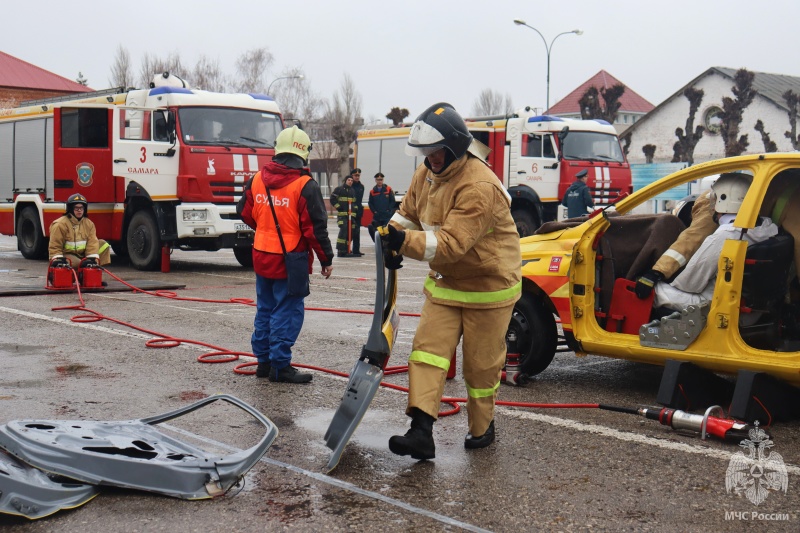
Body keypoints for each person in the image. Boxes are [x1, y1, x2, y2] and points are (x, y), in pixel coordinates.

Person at [385, 103, 521, 460]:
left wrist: (404, 244)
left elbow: (451, 245)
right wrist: (390, 234)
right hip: (447, 285)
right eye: (425, 153)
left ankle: (482, 427)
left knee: (481, 367)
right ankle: (421, 432)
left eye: (435, 151)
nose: (430, 158)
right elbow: (409, 214)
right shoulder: (427, 173)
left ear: (456, 146)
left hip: (489, 288)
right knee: (427, 353)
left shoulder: (479, 186)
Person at [236, 125, 334, 384]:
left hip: (261, 255)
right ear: (304, 153)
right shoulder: (305, 185)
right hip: (291, 261)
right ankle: (280, 366)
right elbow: (315, 229)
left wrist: (266, 226)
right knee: (287, 311)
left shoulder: (256, 179)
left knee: (265, 309)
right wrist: (326, 260)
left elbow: (244, 211)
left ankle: (264, 362)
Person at [653, 174, 777, 311]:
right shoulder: (768, 227)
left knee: (655, 290)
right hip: (754, 308)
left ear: (725, 200)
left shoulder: (725, 235)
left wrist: (656, 276)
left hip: (714, 304)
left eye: (715, 198)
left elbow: (689, 284)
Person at [48, 193, 111, 269]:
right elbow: (55, 245)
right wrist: (57, 259)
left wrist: (91, 259)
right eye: (76, 208)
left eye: (81, 208)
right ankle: (81, 273)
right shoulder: (60, 224)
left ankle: (93, 273)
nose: (79, 211)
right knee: (79, 263)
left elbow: (92, 242)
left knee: (103, 245)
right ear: (70, 209)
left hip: (83, 254)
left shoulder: (89, 224)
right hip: (67, 254)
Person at [329, 175, 359, 258]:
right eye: (349, 180)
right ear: (345, 181)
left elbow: (354, 203)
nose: (350, 181)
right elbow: (332, 199)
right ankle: (341, 250)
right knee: (344, 231)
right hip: (343, 216)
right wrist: (338, 207)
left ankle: (347, 249)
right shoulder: (339, 189)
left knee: (352, 232)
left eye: (351, 180)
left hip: (351, 216)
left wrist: (355, 210)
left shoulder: (352, 191)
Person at [368, 172, 396, 238]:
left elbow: (392, 201)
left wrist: (389, 209)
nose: (379, 181)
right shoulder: (372, 191)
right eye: (378, 179)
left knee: (387, 232)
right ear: (375, 180)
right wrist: (374, 212)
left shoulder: (388, 189)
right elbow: (370, 203)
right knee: (378, 232)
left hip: (386, 216)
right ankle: (379, 245)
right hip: (377, 217)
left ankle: (386, 246)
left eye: (381, 179)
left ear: (383, 180)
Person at [350, 168, 365, 256]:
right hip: (350, 211)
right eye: (355, 175)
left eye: (358, 175)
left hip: (358, 211)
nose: (357, 177)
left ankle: (356, 250)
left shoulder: (361, 186)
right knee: (348, 232)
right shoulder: (349, 186)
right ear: (352, 176)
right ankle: (345, 249)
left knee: (357, 231)